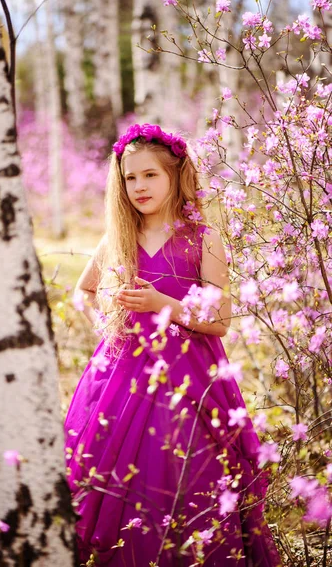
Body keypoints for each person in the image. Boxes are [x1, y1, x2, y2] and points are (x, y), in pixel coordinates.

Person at [64, 123, 282, 567]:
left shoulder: (203, 239)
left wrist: (164, 303)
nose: (139, 186)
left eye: (150, 175)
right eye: (130, 178)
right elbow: (82, 292)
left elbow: (219, 322)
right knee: (121, 472)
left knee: (181, 467)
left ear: (175, 175)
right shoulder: (119, 237)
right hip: (122, 372)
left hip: (188, 376)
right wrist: (106, 321)